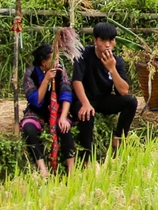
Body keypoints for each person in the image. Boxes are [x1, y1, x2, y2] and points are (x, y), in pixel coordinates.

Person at [72, 20, 138, 161]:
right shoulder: (83, 54)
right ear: (95, 40)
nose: (107, 45)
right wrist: (85, 103)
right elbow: (76, 81)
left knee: (131, 102)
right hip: (83, 98)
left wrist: (112, 69)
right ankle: (86, 156)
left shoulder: (117, 61)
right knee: (86, 115)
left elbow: (124, 91)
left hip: (102, 99)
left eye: (111, 40)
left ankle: (118, 139)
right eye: (103, 40)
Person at [21, 42, 75, 175]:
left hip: (57, 110)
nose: (56, 62)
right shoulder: (31, 74)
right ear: (43, 62)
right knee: (29, 129)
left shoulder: (60, 71)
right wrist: (46, 80)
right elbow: (35, 100)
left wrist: (63, 118)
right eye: (52, 59)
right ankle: (43, 169)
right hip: (37, 111)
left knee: (64, 127)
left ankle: (71, 170)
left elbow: (67, 94)